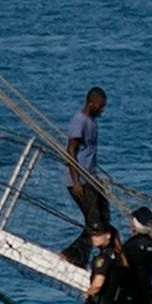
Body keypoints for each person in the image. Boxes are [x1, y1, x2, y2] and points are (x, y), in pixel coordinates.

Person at [59, 87, 109, 268]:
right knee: (94, 223)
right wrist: (76, 182)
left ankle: (77, 256)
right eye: (100, 107)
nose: (102, 110)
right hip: (80, 181)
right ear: (91, 103)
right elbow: (70, 150)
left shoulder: (92, 122)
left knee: (102, 219)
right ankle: (72, 255)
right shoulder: (80, 121)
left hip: (90, 178)